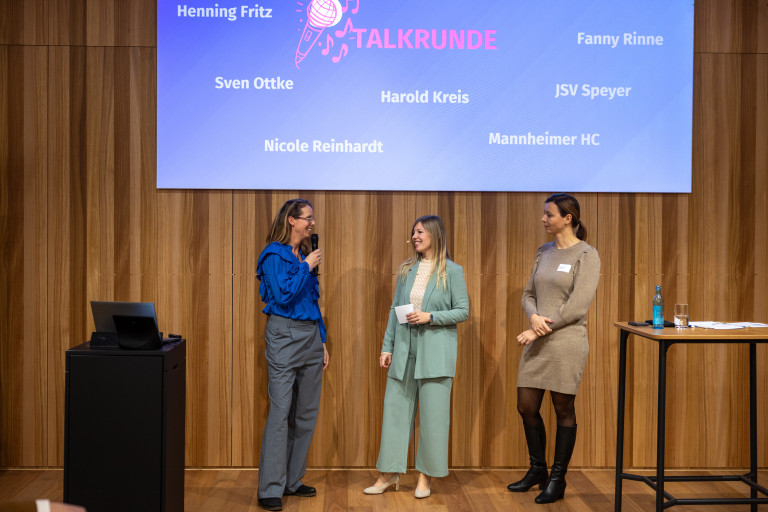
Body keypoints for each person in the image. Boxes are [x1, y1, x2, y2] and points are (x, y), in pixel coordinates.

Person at [364, 215, 469, 499]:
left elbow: (462, 310)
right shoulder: (407, 270)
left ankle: (425, 477)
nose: (414, 236)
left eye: (420, 232)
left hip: (435, 355)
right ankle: (388, 473)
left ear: (434, 234)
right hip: (404, 351)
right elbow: (395, 310)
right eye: (413, 232)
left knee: (434, 419)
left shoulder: (452, 271)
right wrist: (388, 347)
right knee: (395, 414)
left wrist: (430, 316)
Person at [507, 193, 600, 504]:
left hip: (567, 342)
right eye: (544, 214)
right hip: (538, 336)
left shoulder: (586, 255)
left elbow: (577, 306)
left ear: (567, 218)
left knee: (563, 409)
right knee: (526, 407)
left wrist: (538, 329)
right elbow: (528, 293)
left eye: (549, 214)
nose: (543, 219)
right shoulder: (543, 251)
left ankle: (557, 479)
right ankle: (538, 470)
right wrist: (533, 317)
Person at [256, 199, 330, 512]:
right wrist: (307, 266)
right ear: (291, 220)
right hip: (284, 335)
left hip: (311, 336)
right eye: (307, 218)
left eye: (312, 218)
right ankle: (270, 488)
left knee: (306, 412)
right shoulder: (274, 254)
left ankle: (292, 480)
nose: (312, 223)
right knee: (281, 410)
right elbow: (283, 294)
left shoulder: (303, 255)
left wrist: (322, 340)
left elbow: (311, 301)